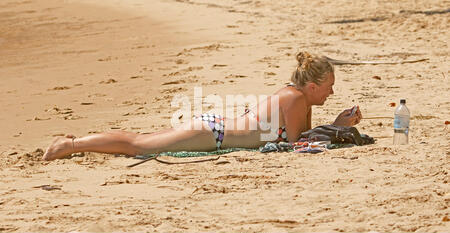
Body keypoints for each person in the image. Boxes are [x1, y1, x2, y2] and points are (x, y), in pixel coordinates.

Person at [42, 51, 362, 161]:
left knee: (141, 139)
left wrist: (336, 122)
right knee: (138, 144)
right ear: (312, 85)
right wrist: (337, 129)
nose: (331, 93)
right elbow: (295, 144)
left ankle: (76, 142)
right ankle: (70, 145)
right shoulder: (294, 99)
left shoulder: (298, 97)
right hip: (214, 134)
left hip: (216, 128)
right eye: (329, 88)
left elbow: (300, 135)